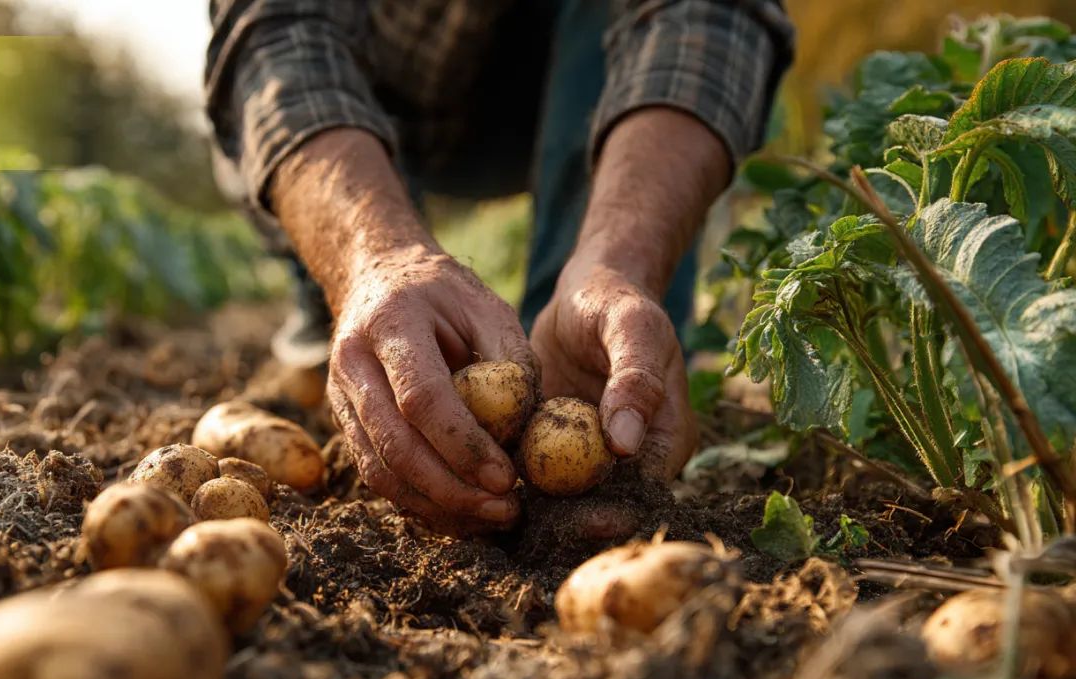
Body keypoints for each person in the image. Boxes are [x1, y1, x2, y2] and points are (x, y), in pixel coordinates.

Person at [205, 0, 794, 537]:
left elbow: (713, 15)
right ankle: (337, 307)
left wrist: (623, 261)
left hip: (574, 75)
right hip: (376, 81)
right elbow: (273, 36)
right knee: (386, 363)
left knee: (601, 344)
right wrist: (371, 260)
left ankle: (578, 310)